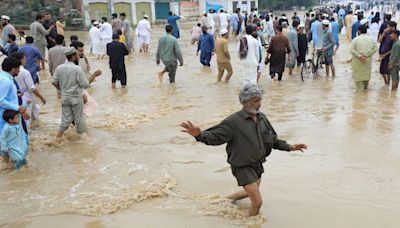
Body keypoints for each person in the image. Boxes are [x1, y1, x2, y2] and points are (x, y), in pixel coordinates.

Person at [180, 84, 307, 217]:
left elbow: (272, 139)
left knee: (249, 192)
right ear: (245, 102)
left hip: (257, 165)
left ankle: (224, 200)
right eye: (255, 101)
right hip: (242, 166)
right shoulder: (233, 122)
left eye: (260, 100)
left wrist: (290, 147)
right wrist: (199, 135)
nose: (259, 104)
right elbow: (215, 137)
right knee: (257, 202)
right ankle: (250, 223)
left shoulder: (261, 118)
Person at [52, 47, 101, 138]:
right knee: (79, 121)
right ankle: (83, 143)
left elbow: (54, 82)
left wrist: (62, 90)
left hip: (65, 97)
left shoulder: (60, 67)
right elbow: (85, 84)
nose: (79, 56)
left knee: (65, 120)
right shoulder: (77, 69)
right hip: (76, 98)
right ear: (73, 57)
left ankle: (57, 139)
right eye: (77, 55)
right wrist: (94, 75)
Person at [0, 57, 31, 165]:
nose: (19, 71)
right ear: (13, 69)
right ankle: (8, 166)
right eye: (18, 69)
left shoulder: (5, 78)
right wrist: (18, 108)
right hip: (6, 118)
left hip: (10, 116)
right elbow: (0, 101)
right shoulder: (6, 82)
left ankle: (9, 165)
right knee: (10, 144)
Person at [11, 52, 46, 127]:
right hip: (27, 99)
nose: (26, 60)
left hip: (18, 98)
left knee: (32, 117)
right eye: (25, 58)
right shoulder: (25, 72)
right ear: (21, 59)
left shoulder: (11, 71)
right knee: (28, 121)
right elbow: (32, 88)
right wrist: (41, 97)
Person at [70, 41, 102, 116]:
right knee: (88, 109)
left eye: (83, 51)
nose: (82, 53)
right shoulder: (74, 67)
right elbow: (85, 84)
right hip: (77, 93)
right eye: (80, 51)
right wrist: (94, 75)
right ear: (74, 52)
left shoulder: (76, 62)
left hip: (77, 92)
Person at [350, 24, 377, 91]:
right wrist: (368, 55)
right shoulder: (371, 39)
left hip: (358, 61)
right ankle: (365, 97)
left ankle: (360, 99)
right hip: (367, 60)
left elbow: (351, 50)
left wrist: (359, 56)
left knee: (358, 81)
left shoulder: (355, 39)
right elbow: (375, 48)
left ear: (359, 31)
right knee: (366, 79)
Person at [378, 21, 397, 85]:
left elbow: (393, 48)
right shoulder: (386, 34)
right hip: (383, 54)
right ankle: (386, 82)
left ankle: (388, 82)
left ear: (393, 27)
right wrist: (383, 33)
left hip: (389, 55)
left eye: (389, 26)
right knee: (382, 70)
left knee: (388, 71)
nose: (387, 27)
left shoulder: (394, 35)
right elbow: (379, 41)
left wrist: (385, 55)